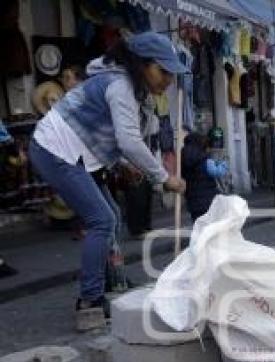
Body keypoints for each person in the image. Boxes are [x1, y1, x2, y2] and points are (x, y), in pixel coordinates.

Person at [29, 32, 187, 331]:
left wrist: (125, 164)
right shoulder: (119, 85)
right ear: (142, 65)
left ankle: (111, 283)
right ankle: (89, 302)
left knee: (111, 215)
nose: (168, 80)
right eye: (163, 71)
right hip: (54, 150)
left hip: (75, 153)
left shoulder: (133, 89)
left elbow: (114, 136)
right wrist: (164, 178)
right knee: (101, 219)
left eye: (171, 74)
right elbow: (128, 140)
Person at [182, 128, 229, 221]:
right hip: (208, 200)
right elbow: (218, 172)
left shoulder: (183, 159)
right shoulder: (205, 160)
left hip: (192, 200)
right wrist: (224, 163)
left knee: (198, 224)